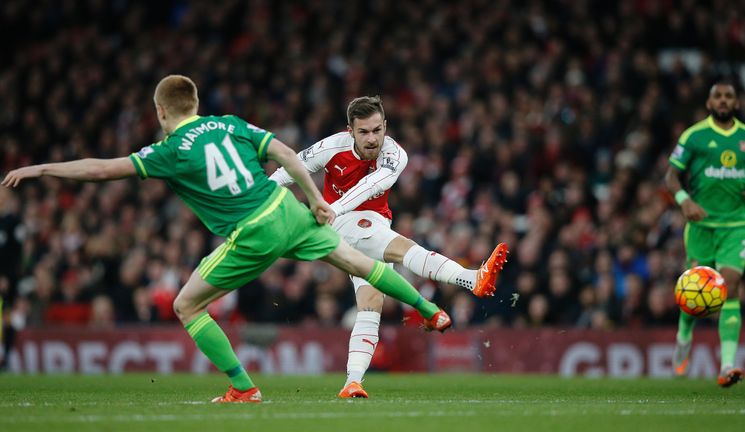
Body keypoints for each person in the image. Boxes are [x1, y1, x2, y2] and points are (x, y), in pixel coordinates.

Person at [1, 75, 453, 402]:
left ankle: (243, 386)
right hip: (289, 212)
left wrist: (42, 168)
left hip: (253, 230)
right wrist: (316, 199)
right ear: (195, 102)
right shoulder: (228, 123)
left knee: (186, 305)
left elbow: (102, 169)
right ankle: (430, 311)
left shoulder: (169, 150)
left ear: (161, 112)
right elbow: (284, 152)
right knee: (361, 265)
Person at [270, 96, 508, 398]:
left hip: (360, 218)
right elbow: (289, 168)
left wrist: (333, 209)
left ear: (385, 126)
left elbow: (370, 187)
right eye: (364, 132)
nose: (372, 138)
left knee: (371, 304)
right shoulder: (331, 147)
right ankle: (471, 279)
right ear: (350, 131)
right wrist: (265, 198)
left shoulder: (396, 155)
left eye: (377, 130)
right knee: (401, 247)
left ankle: (352, 382)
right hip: (344, 224)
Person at [665, 80, 745, 388]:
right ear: (709, 103)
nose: (722, 101)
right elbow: (671, 176)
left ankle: (727, 366)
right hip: (702, 224)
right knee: (695, 290)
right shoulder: (694, 136)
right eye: (717, 96)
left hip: (737, 224)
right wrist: (684, 201)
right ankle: (684, 336)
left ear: (736, 103)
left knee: (729, 286)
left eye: (728, 96)